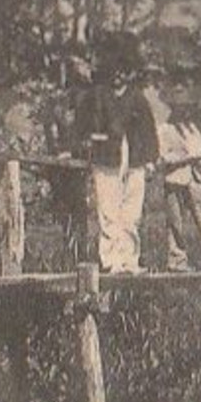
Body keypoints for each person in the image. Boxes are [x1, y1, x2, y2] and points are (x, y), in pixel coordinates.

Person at [77, 35, 160, 273]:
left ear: (130, 71)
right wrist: (91, 141)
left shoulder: (137, 98)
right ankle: (111, 260)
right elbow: (82, 128)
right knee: (108, 211)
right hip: (106, 158)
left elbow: (148, 131)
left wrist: (151, 158)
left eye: (124, 70)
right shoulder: (97, 96)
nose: (119, 75)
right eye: (115, 69)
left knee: (132, 213)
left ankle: (130, 260)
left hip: (134, 159)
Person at [155, 85, 201, 272]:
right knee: (175, 223)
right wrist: (185, 158)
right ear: (173, 108)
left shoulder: (193, 129)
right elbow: (162, 158)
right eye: (180, 108)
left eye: (186, 107)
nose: (184, 111)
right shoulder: (164, 129)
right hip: (174, 180)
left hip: (194, 180)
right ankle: (177, 261)